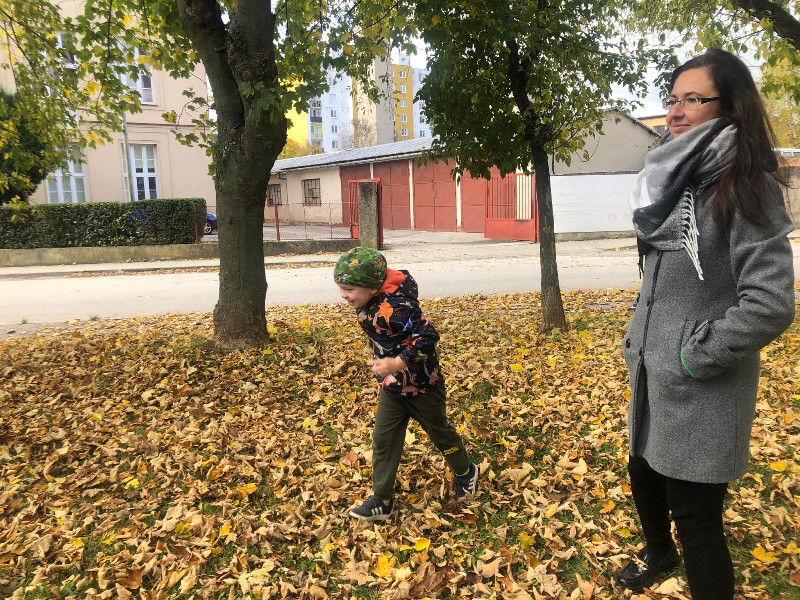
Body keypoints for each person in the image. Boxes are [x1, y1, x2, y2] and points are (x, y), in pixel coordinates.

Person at [618, 49, 795, 598]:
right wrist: (641, 335)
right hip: (653, 373)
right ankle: (658, 553)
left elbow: (770, 301)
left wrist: (695, 356)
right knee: (643, 472)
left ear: (729, 106)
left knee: (696, 519)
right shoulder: (674, 179)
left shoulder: (745, 184)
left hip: (702, 385)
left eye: (692, 99)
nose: (675, 111)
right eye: (673, 99)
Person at [334, 247, 478, 522]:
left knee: (441, 435)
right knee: (383, 441)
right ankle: (381, 500)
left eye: (349, 289)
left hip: (423, 387)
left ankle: (465, 472)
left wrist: (397, 362)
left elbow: (428, 337)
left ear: (371, 286)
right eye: (340, 288)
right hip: (393, 388)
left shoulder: (399, 308)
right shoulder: (371, 298)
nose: (343, 294)